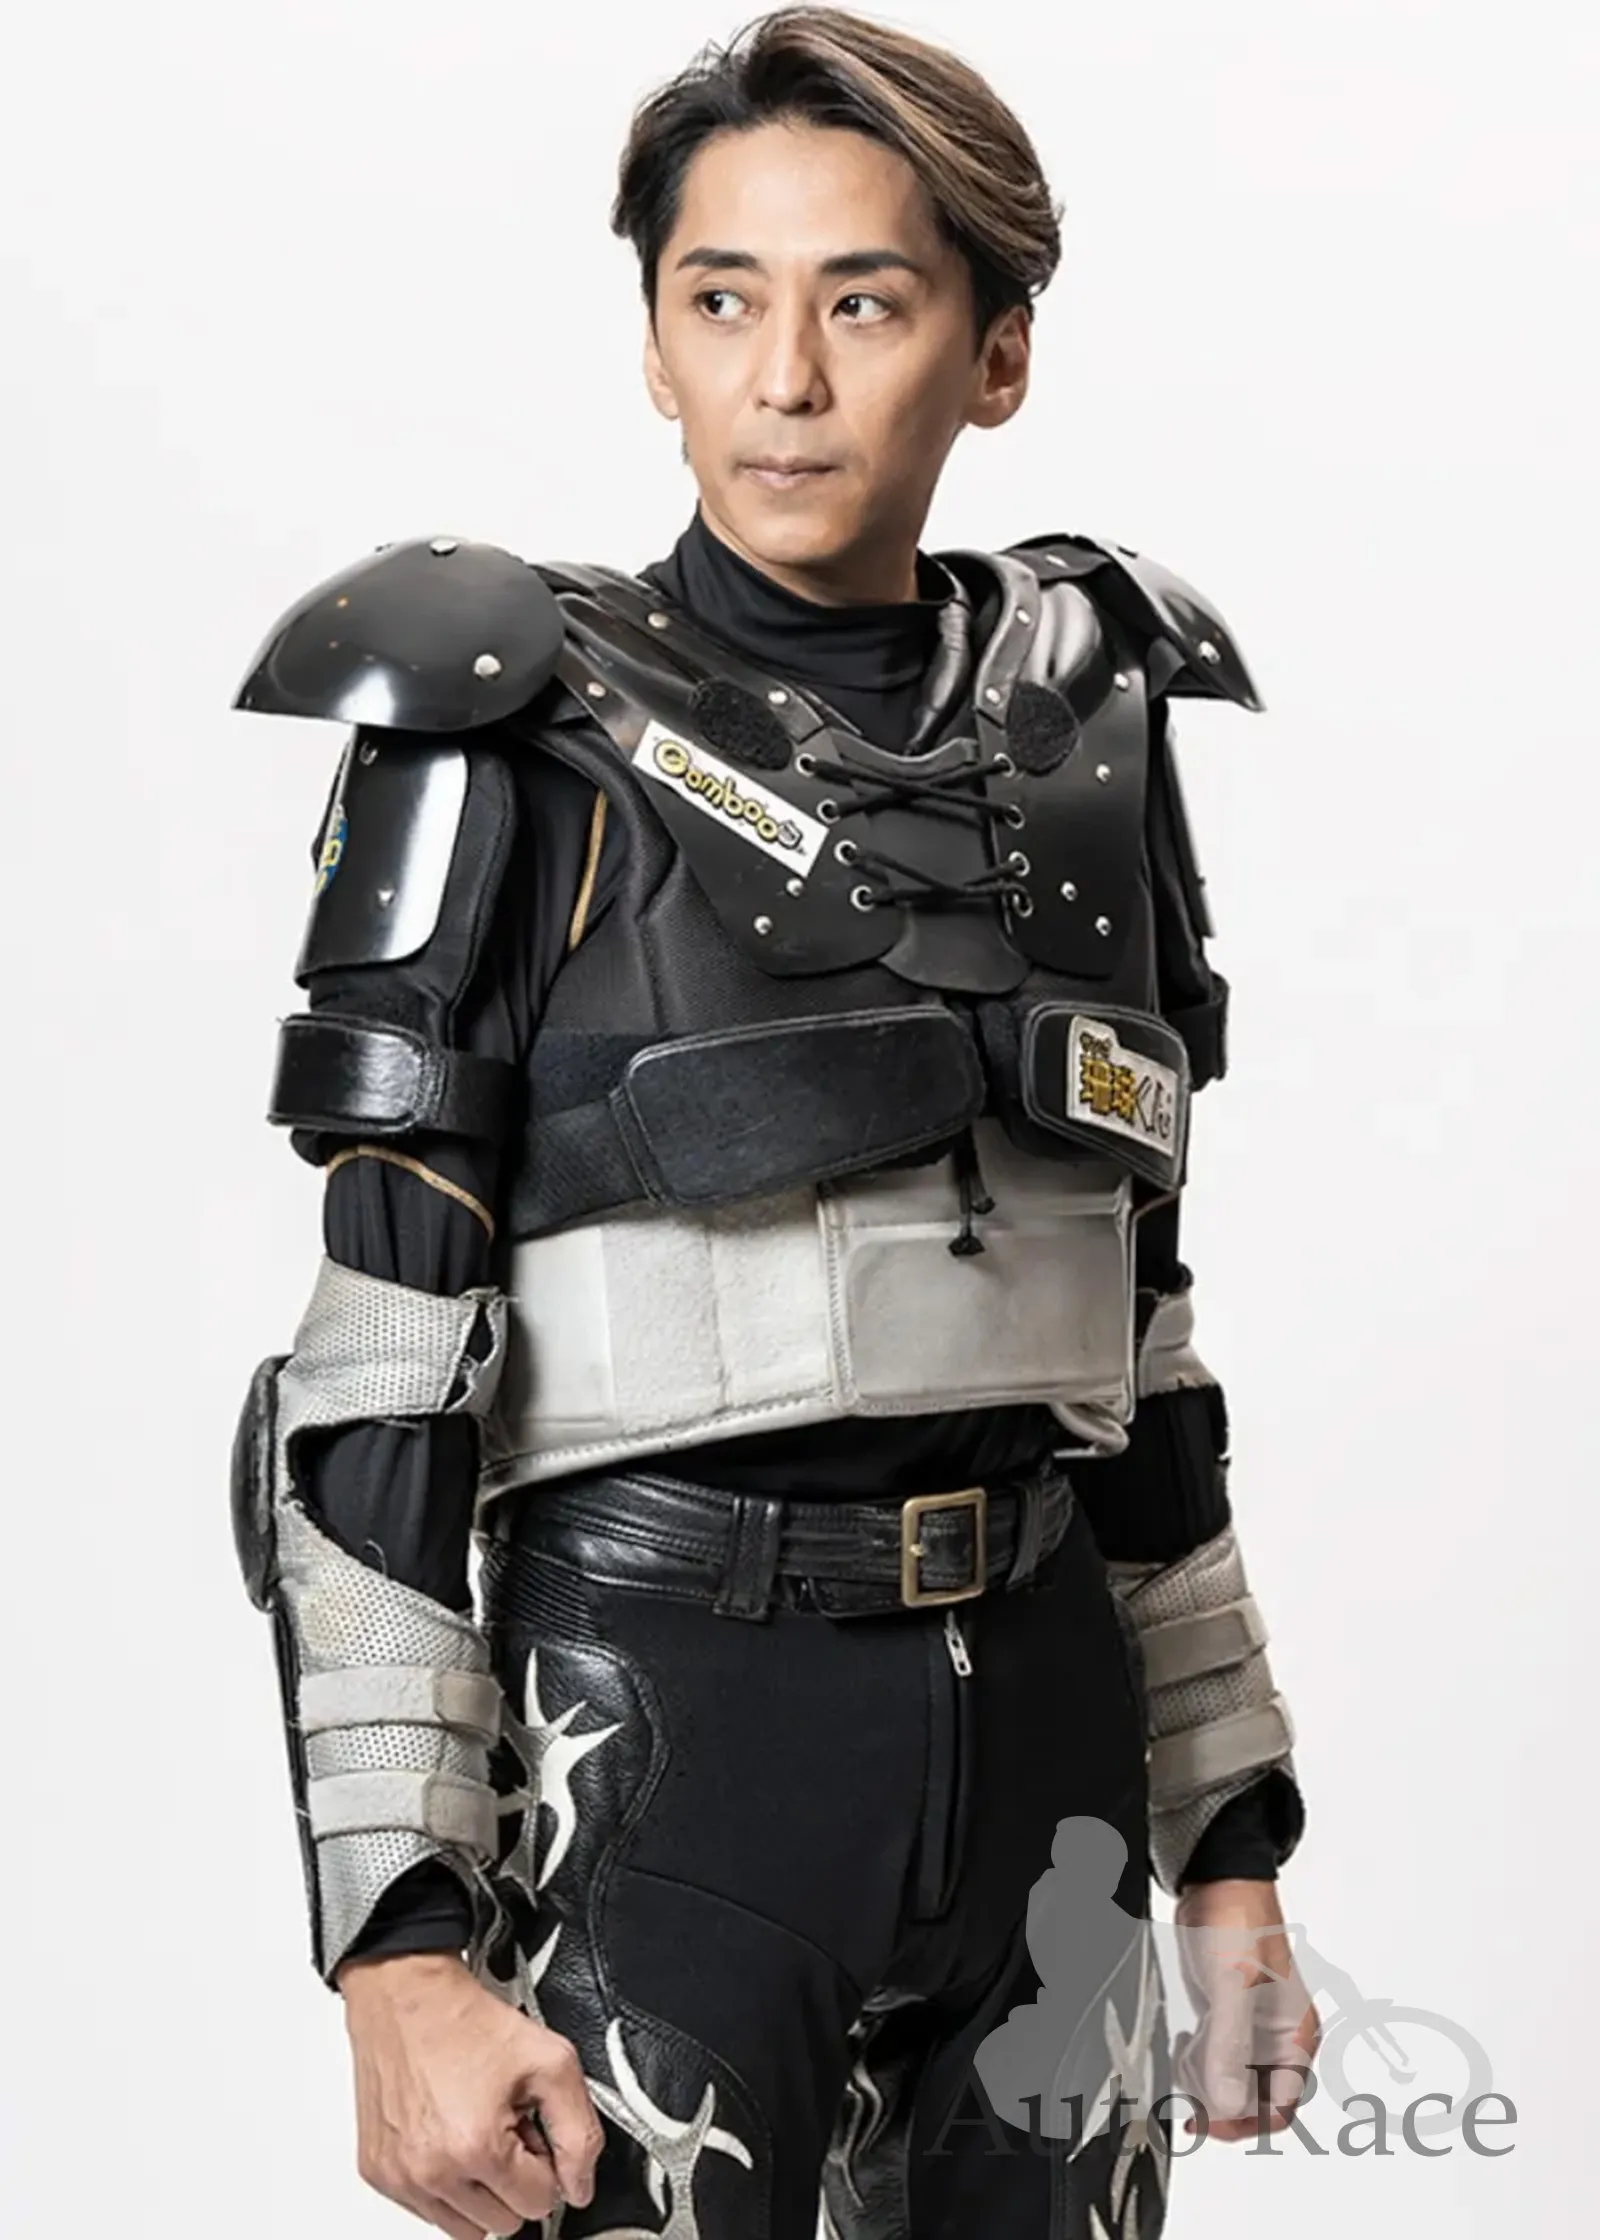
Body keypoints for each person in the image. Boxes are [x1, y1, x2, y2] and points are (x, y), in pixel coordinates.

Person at [230, 9, 1316, 2235]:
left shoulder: (1092, 714)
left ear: (996, 354)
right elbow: (371, 1382)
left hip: (1046, 1739)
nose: (786, 379)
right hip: (663, 1748)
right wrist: (401, 1951)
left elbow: (1141, 1348)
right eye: (721, 300)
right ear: (653, 342)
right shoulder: (500, 720)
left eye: (864, 303)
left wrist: (1225, 1847)